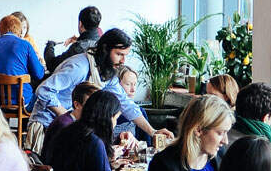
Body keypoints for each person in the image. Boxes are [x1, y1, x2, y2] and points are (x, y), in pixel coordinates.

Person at [26, 28, 174, 154]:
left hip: (73, 128)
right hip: (48, 126)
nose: (123, 61)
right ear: (104, 49)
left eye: (125, 56)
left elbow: (126, 104)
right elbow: (43, 90)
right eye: (119, 54)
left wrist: (153, 132)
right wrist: (69, 117)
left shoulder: (106, 73)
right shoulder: (79, 67)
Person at [40, 81, 99, 163]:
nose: (95, 109)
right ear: (77, 105)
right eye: (90, 105)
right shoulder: (65, 125)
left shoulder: (74, 121)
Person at [44, 6, 102, 73]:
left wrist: (50, 45)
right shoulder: (102, 42)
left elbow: (52, 65)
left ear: (80, 24)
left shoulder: (79, 47)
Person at [113, 65, 152, 145]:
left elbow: (147, 146)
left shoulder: (140, 112)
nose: (133, 90)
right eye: (128, 84)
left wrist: (135, 142)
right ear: (116, 86)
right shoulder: (103, 112)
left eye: (134, 84)